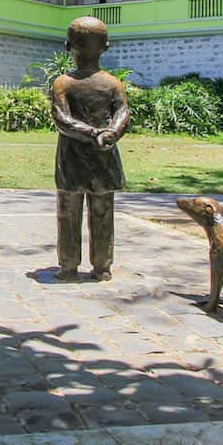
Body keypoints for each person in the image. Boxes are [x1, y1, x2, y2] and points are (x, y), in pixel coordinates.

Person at [50, 17, 131, 282]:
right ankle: (100, 266)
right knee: (101, 212)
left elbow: (63, 119)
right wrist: (105, 133)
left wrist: (107, 132)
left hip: (75, 157)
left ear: (67, 46)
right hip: (96, 155)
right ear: (106, 47)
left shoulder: (63, 83)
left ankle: (71, 266)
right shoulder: (112, 83)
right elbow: (122, 114)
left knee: (70, 213)